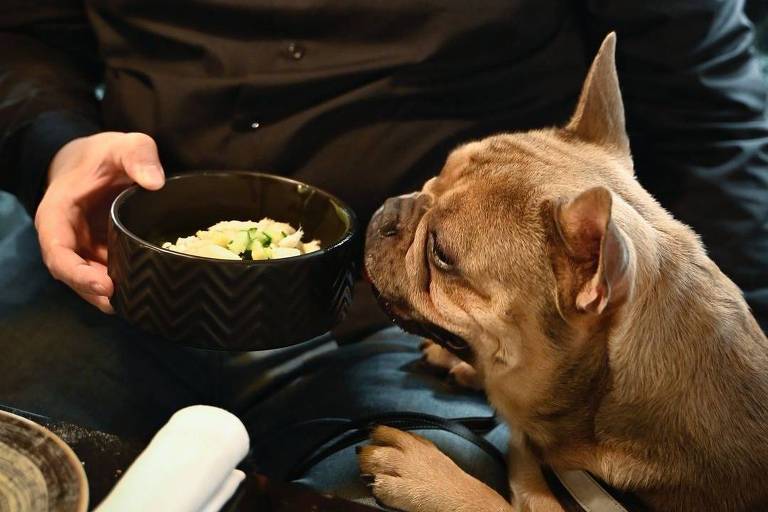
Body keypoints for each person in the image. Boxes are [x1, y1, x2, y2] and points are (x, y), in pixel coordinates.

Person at [0, 0, 766, 508]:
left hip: (424, 343)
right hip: (129, 265)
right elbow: (25, 33)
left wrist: (705, 362)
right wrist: (54, 150)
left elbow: (713, 112)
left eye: (432, 231)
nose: (410, 212)